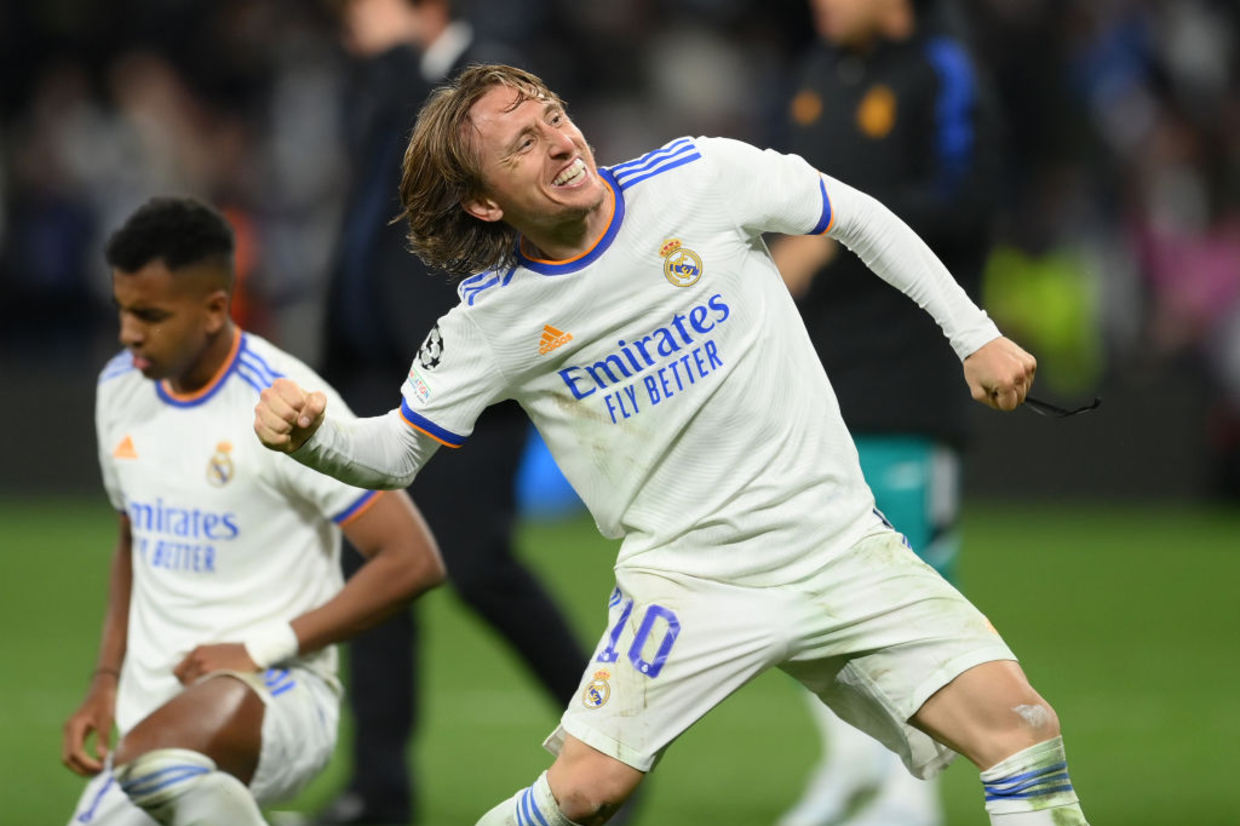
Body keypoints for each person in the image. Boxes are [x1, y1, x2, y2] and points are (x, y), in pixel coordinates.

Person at [254, 65, 1090, 826]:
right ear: (484, 202)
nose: (560, 143)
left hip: (838, 544)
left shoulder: (700, 177)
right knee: (586, 792)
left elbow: (855, 215)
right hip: (690, 582)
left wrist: (974, 334)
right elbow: (393, 455)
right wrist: (313, 437)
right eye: (524, 145)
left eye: (554, 118)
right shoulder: (493, 320)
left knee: (1022, 730)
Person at [62, 196, 445, 826]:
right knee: (152, 763)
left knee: (156, 763)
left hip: (276, 694)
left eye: (150, 315)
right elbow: (133, 539)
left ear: (215, 309)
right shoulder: (119, 388)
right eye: (123, 309)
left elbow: (412, 559)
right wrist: (106, 678)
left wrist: (261, 647)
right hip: (152, 717)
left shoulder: (286, 405)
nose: (129, 332)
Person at [317, 2, 589, 822]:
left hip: (474, 373)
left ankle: (610, 738)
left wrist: (401, 62)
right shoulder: (377, 85)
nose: (348, 19)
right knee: (374, 573)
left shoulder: (494, 80)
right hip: (377, 370)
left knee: (477, 566)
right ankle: (378, 790)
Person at [770, 1, 1000, 824]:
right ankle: (849, 765)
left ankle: (914, 795)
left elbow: (968, 201)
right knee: (796, 582)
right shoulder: (814, 75)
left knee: (912, 582)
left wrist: (834, 230)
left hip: (908, 371)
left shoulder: (943, 72)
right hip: (809, 375)